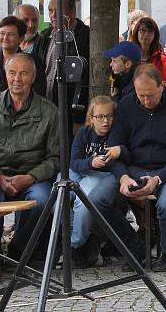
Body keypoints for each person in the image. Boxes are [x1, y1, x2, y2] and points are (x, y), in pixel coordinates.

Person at [96, 65, 166, 272]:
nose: (145, 101)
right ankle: (135, 247)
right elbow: (113, 151)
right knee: (98, 201)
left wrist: (158, 178)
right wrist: (123, 177)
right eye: (140, 95)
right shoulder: (125, 105)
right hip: (134, 168)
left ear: (162, 86)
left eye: (150, 95)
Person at [0, 53, 59, 266]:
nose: (17, 79)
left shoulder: (49, 111)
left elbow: (55, 158)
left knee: (41, 202)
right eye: (12, 73)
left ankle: (18, 252)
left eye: (23, 74)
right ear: (5, 75)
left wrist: (31, 177)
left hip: (33, 177)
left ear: (33, 77)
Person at [68, 97, 120, 268]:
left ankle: (75, 243)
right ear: (91, 118)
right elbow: (74, 162)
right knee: (58, 197)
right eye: (100, 116)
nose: (105, 121)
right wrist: (90, 162)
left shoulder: (116, 135)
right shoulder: (84, 133)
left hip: (101, 176)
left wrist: (97, 164)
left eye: (109, 116)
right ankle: (70, 240)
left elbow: (117, 164)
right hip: (82, 170)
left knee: (83, 201)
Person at [42, 0, 90, 132]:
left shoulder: (85, 37)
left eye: (59, 11)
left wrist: (78, 118)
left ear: (73, 11)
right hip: (46, 109)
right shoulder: (45, 36)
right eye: (51, 10)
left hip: (71, 112)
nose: (54, 15)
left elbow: (85, 80)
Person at [0, 16, 46, 105]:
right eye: (2, 33)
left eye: (11, 34)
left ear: (21, 38)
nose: (5, 38)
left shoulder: (33, 63)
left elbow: (39, 92)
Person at [131, 16, 166, 82]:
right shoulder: (128, 56)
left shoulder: (160, 59)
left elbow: (163, 83)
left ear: (155, 35)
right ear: (136, 32)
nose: (146, 34)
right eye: (142, 30)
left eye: (150, 31)